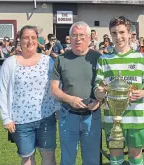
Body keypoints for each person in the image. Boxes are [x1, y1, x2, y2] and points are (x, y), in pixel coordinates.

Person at [94, 16, 144, 165]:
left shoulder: (141, 59)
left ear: (129, 34)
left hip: (135, 119)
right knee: (115, 159)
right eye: (114, 33)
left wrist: (142, 93)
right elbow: (97, 87)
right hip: (113, 122)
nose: (118, 37)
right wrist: (100, 93)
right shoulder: (104, 60)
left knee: (135, 157)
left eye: (122, 32)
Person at [0, 25, 57, 165]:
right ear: (19, 40)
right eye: (26, 38)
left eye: (33, 38)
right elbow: (2, 92)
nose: (30, 41)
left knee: (49, 155)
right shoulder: (9, 63)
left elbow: (56, 86)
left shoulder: (48, 61)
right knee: (27, 158)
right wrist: (6, 118)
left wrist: (58, 107)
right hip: (20, 121)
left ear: (38, 40)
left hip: (46, 117)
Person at [51, 21, 101, 165]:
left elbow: (105, 86)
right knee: (67, 160)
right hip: (68, 116)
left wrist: (99, 101)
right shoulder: (61, 59)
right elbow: (54, 89)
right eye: (74, 35)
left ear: (89, 38)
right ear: (69, 38)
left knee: (92, 160)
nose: (78, 39)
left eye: (81, 36)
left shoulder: (98, 58)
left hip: (92, 117)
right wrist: (69, 99)